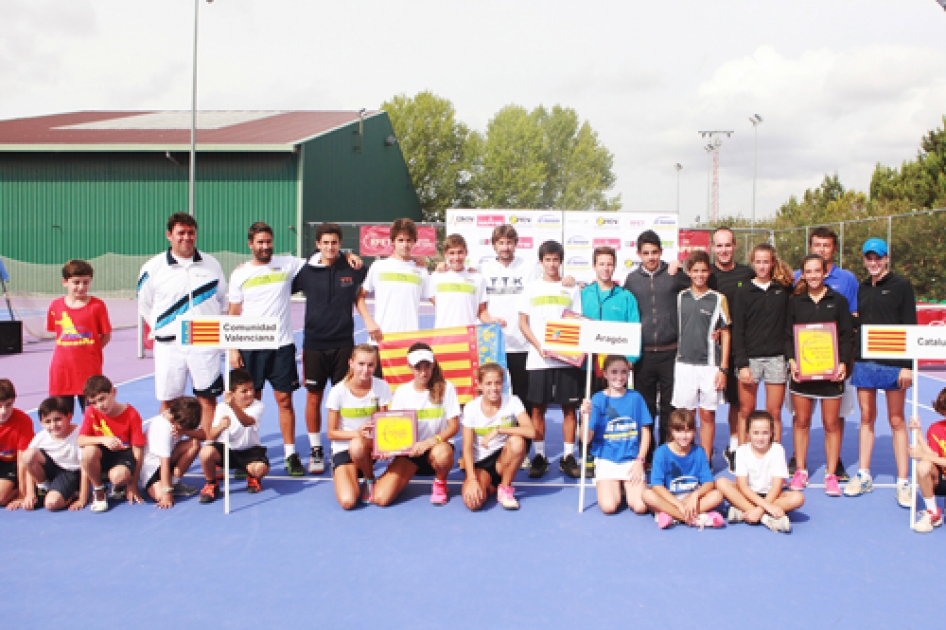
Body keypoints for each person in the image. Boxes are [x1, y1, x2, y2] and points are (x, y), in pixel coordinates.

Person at [137, 212, 228, 437]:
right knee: (170, 400)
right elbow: (145, 305)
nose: (186, 237)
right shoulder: (152, 267)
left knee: (207, 397)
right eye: (181, 233)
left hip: (205, 340)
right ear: (169, 235)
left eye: (191, 233)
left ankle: (209, 448)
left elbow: (222, 300)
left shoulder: (212, 264)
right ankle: (165, 447)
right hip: (169, 345)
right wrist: (166, 329)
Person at [227, 222, 305, 475]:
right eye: (260, 242)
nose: (265, 246)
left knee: (285, 400)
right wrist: (232, 348)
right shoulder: (239, 274)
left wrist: (348, 256)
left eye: (268, 241)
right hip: (250, 346)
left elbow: (321, 259)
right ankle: (248, 452)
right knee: (250, 402)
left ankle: (290, 454)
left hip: (281, 345)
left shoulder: (287, 264)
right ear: (251, 245)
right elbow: (234, 313)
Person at [294, 222, 370, 475]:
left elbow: (376, 273)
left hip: (343, 345)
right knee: (314, 397)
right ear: (318, 244)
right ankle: (316, 449)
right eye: (325, 243)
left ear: (340, 244)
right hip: (314, 344)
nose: (329, 247)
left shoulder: (351, 267)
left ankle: (342, 445)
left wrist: (424, 264)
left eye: (334, 243)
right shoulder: (306, 271)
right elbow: (278, 282)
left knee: (344, 397)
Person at [845, 238, 917, 506]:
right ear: (864, 260)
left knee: (897, 420)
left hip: (893, 363)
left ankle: (903, 481)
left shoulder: (901, 286)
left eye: (878, 258)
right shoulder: (862, 288)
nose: (873, 263)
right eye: (869, 258)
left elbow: (910, 325)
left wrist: (907, 366)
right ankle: (863, 474)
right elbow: (857, 321)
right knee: (866, 417)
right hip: (865, 362)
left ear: (887, 258)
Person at [790, 226, 859, 481]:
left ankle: (832, 471)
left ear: (825, 271)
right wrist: (791, 360)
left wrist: (843, 362)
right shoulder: (795, 298)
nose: (813, 275)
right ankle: (800, 468)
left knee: (832, 423)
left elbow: (847, 331)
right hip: (803, 370)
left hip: (832, 371)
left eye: (817, 271)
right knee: (802, 421)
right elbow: (788, 333)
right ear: (803, 274)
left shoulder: (840, 296)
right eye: (808, 272)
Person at [623, 230, 690, 459]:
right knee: (646, 408)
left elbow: (703, 278)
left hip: (671, 352)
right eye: (646, 253)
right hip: (643, 355)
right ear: (638, 254)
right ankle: (648, 453)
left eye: (654, 252)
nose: (651, 257)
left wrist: (682, 266)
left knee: (670, 407)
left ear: (661, 252)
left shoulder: (674, 274)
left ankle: (667, 450)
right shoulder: (631, 280)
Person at [519, 239, 582, 479]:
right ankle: (540, 455)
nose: (552, 264)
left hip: (566, 359)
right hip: (538, 359)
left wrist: (565, 350)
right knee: (538, 408)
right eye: (548, 260)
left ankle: (568, 457)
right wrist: (539, 347)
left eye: (556, 260)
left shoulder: (571, 288)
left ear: (561, 261)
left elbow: (577, 321)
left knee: (569, 409)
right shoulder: (531, 287)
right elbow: (523, 323)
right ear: (541, 261)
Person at [373, 343, 460, 507]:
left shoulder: (447, 388)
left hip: (436, 449)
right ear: (409, 367)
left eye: (427, 366)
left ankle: (440, 483)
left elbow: (454, 427)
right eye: (417, 367)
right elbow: (394, 426)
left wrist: (429, 442)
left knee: (442, 454)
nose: (423, 371)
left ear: (433, 364)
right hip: (410, 454)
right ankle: (398, 475)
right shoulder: (402, 392)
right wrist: (388, 449)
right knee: (380, 499)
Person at [731, 243, 794, 456]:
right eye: (758, 262)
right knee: (746, 411)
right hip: (750, 360)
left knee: (774, 412)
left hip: (776, 358)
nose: (762, 266)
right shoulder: (743, 291)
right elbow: (737, 330)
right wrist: (742, 364)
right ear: (753, 263)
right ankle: (742, 458)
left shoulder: (782, 291)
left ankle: (774, 458)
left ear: (772, 263)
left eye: (766, 261)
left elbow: (787, 327)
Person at [671, 249, 731, 462]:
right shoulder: (680, 298)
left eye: (704, 270)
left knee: (707, 415)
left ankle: (705, 461)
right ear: (688, 271)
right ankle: (685, 458)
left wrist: (723, 368)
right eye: (695, 270)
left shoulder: (718, 299)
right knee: (686, 417)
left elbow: (725, 333)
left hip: (710, 366)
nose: (699, 275)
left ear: (710, 271)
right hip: (684, 364)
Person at [707, 228, 755, 472]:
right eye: (719, 246)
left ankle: (735, 447)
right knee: (708, 403)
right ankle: (703, 449)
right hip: (709, 349)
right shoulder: (707, 274)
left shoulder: (747, 273)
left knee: (737, 403)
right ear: (712, 247)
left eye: (727, 245)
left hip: (738, 348)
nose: (723, 250)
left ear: (735, 246)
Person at [578, 355, 652, 514]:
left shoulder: (636, 398)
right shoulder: (597, 399)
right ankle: (613, 485)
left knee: (640, 507)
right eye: (614, 372)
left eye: (624, 372)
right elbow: (586, 439)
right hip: (607, 460)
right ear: (605, 374)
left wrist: (640, 461)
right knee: (609, 507)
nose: (619, 377)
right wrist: (585, 417)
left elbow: (646, 432)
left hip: (631, 461)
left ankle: (626, 487)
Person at [325, 344, 393, 509]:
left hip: (367, 448)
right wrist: (357, 433)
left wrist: (384, 446)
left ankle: (369, 479)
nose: (366, 369)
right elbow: (331, 433)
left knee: (358, 445)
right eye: (361, 364)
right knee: (348, 501)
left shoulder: (381, 386)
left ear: (375, 366)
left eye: (371, 365)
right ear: (351, 363)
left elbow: (384, 421)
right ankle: (350, 472)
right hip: (344, 449)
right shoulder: (337, 391)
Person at [461, 363, 536, 511]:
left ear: (503, 383)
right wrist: (471, 479)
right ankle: (489, 486)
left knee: (517, 442)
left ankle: (505, 488)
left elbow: (531, 432)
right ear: (480, 385)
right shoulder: (471, 408)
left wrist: (499, 430)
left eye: (497, 383)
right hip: (481, 464)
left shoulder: (513, 401)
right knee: (473, 503)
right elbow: (467, 448)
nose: (494, 388)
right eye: (488, 384)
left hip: (503, 460)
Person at [716, 411, 804, 533]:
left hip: (772, 497)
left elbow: (777, 486)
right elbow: (742, 486)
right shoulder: (741, 451)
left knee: (797, 498)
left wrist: (760, 508)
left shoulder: (777, 450)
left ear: (772, 433)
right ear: (748, 434)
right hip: (748, 496)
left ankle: (744, 511)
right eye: (756, 433)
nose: (760, 438)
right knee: (721, 482)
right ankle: (766, 518)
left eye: (765, 433)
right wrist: (766, 509)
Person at [46, 259, 112, 416]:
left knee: (94, 417)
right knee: (61, 416)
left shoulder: (97, 306)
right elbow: (56, 333)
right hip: (62, 372)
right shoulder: (56, 306)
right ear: (65, 282)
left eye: (86, 282)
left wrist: (89, 349)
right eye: (76, 282)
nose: (81, 287)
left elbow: (106, 335)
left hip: (90, 371)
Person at [642, 409, 725, 529]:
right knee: (647, 495)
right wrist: (678, 504)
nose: (684, 436)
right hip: (670, 498)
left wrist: (695, 495)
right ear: (671, 431)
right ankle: (695, 518)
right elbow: (657, 485)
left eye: (688, 431)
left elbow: (709, 482)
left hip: (692, 498)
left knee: (717, 495)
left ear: (694, 431)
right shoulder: (661, 452)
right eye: (678, 431)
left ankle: (671, 516)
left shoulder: (699, 452)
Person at [359, 218, 430, 358]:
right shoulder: (378, 267)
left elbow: (439, 299)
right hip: (380, 341)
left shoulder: (422, 271)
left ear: (415, 242)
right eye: (401, 240)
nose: (405, 245)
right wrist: (368, 321)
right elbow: (360, 296)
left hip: (409, 343)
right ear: (393, 241)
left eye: (409, 240)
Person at [198, 369, 271, 503]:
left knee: (260, 469)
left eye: (251, 389)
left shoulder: (258, 406)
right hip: (227, 450)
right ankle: (211, 484)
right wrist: (220, 426)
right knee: (205, 452)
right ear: (231, 393)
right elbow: (211, 436)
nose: (250, 393)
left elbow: (247, 421)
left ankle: (252, 477)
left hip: (249, 452)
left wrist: (232, 406)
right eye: (244, 391)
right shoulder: (221, 408)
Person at [78, 375, 146, 512]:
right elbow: (80, 440)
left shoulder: (131, 414)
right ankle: (99, 490)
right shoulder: (91, 412)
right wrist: (102, 439)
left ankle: (120, 484)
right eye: (94, 402)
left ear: (113, 392)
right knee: (88, 451)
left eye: (102, 399)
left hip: (123, 455)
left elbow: (138, 450)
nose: (99, 405)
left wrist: (133, 484)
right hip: (102, 454)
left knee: (118, 476)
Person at [9, 396, 87, 511]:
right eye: (48, 421)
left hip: (70, 473)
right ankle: (43, 488)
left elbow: (85, 468)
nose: (53, 425)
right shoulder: (41, 437)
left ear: (69, 417)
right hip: (51, 470)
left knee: (51, 504)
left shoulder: (78, 434)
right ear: (41, 423)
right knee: (28, 455)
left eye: (57, 419)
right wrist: (29, 494)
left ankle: (72, 494)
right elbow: (27, 463)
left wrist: (82, 498)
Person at [580, 245, 641, 382]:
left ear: (614, 266)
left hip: (616, 366)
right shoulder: (583, 294)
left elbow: (635, 327)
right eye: (601, 264)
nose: (606, 268)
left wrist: (631, 359)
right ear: (594, 266)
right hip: (587, 364)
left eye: (609, 264)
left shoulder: (626, 296)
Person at [139, 396, 204, 508]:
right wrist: (166, 492)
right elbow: (164, 463)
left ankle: (174, 482)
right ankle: (166, 485)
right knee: (160, 496)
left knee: (194, 443)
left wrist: (183, 431)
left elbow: (203, 435)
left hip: (168, 457)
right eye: (183, 427)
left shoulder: (177, 415)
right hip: (151, 468)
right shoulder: (164, 429)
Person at [427, 234, 499, 329]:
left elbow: (481, 311)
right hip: (442, 338)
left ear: (466, 252)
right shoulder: (436, 277)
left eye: (460, 252)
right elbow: (433, 298)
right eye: (452, 253)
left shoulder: (478, 279)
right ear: (445, 254)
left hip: (468, 337)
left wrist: (491, 321)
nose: (456, 258)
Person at [908, 389, 946, 533]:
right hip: (942, 479)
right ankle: (932, 512)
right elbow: (931, 454)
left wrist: (923, 455)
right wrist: (917, 432)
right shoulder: (936, 428)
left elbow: (928, 456)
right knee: (923, 466)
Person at [0, 379, 36, 508]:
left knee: (1, 498)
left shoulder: (23, 421)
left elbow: (23, 462)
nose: (3, 411)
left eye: (8, 405)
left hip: (13, 464)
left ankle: (13, 490)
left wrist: (22, 494)